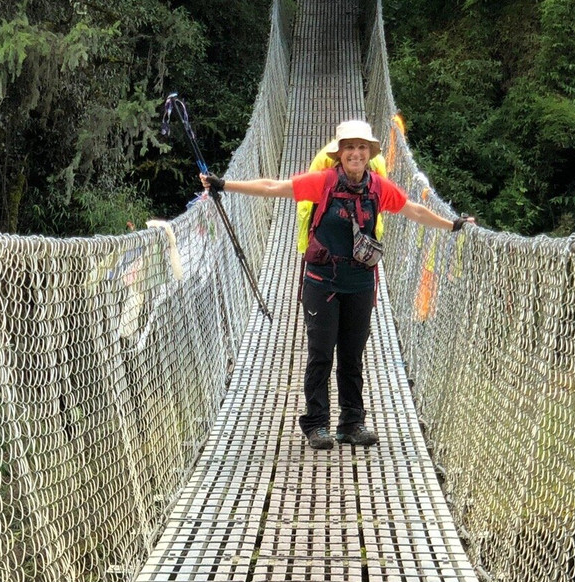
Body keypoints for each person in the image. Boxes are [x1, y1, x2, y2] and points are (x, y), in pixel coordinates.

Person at [201, 119, 472, 450]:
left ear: (369, 154)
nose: (356, 154)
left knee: (353, 354)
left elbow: (413, 209)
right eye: (350, 148)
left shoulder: (377, 188)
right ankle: (316, 424)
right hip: (322, 280)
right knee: (320, 354)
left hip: (360, 281)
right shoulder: (324, 183)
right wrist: (225, 185)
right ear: (340, 153)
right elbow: (274, 187)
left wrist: (451, 225)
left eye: (362, 148)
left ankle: (352, 423)